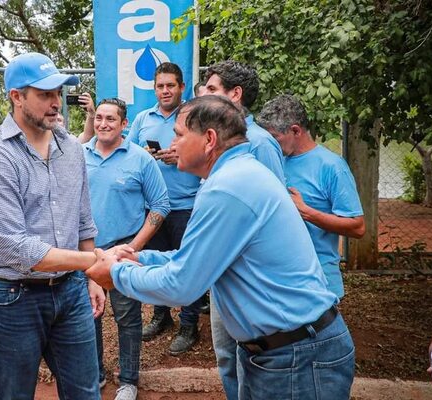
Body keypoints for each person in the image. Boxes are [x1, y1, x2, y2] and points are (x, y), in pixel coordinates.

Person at [87, 95, 356, 400]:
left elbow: (182, 285)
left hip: (296, 359)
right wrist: (138, 256)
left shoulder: (228, 186)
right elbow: (194, 258)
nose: (172, 144)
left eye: (179, 134)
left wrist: (117, 273)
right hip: (282, 353)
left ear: (209, 140)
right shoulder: (233, 175)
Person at [0, 52, 105, 400]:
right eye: (44, 94)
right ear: (16, 96)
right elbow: (17, 250)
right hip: (13, 296)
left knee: (86, 392)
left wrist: (89, 277)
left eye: (58, 92)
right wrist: (93, 263)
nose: (56, 102)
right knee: (15, 394)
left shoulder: (72, 149)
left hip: (71, 291)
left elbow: (83, 217)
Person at [202, 60, 287, 398]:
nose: (203, 95)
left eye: (211, 89)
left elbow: (274, 215)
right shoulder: (217, 141)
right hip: (223, 271)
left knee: (250, 358)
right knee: (227, 356)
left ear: (234, 95)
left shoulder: (260, 144)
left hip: (251, 278)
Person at [85, 98, 170, 399]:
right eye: (98, 118)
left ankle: (128, 381)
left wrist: (132, 248)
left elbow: (160, 204)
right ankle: (93, 377)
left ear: (124, 124)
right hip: (87, 252)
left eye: (111, 119)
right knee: (88, 315)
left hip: (123, 252)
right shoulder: (78, 156)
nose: (103, 124)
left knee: (128, 318)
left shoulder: (140, 159)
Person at [125, 62, 204, 355]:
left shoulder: (195, 118)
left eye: (171, 85)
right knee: (156, 264)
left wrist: (183, 156)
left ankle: (189, 324)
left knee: (189, 265)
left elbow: (211, 155)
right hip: (153, 209)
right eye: (160, 86)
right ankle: (161, 316)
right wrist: (146, 156)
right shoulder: (143, 119)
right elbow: (128, 153)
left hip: (188, 205)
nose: (165, 90)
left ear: (182, 87)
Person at [257, 94, 365, 298]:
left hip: (318, 279)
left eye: (274, 137)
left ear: (295, 130)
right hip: (278, 278)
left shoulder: (332, 166)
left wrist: (306, 212)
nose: (269, 144)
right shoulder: (274, 160)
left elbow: (357, 227)